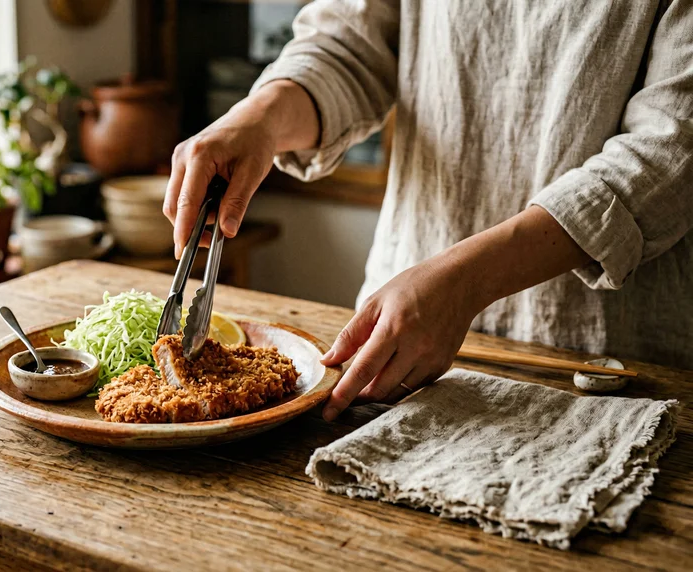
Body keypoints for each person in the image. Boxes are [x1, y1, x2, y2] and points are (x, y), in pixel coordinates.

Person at [162, 0, 693, 421]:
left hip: (606, 357)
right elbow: (348, 44)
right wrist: (261, 118)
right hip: (398, 342)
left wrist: (465, 281)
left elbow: (670, 152)